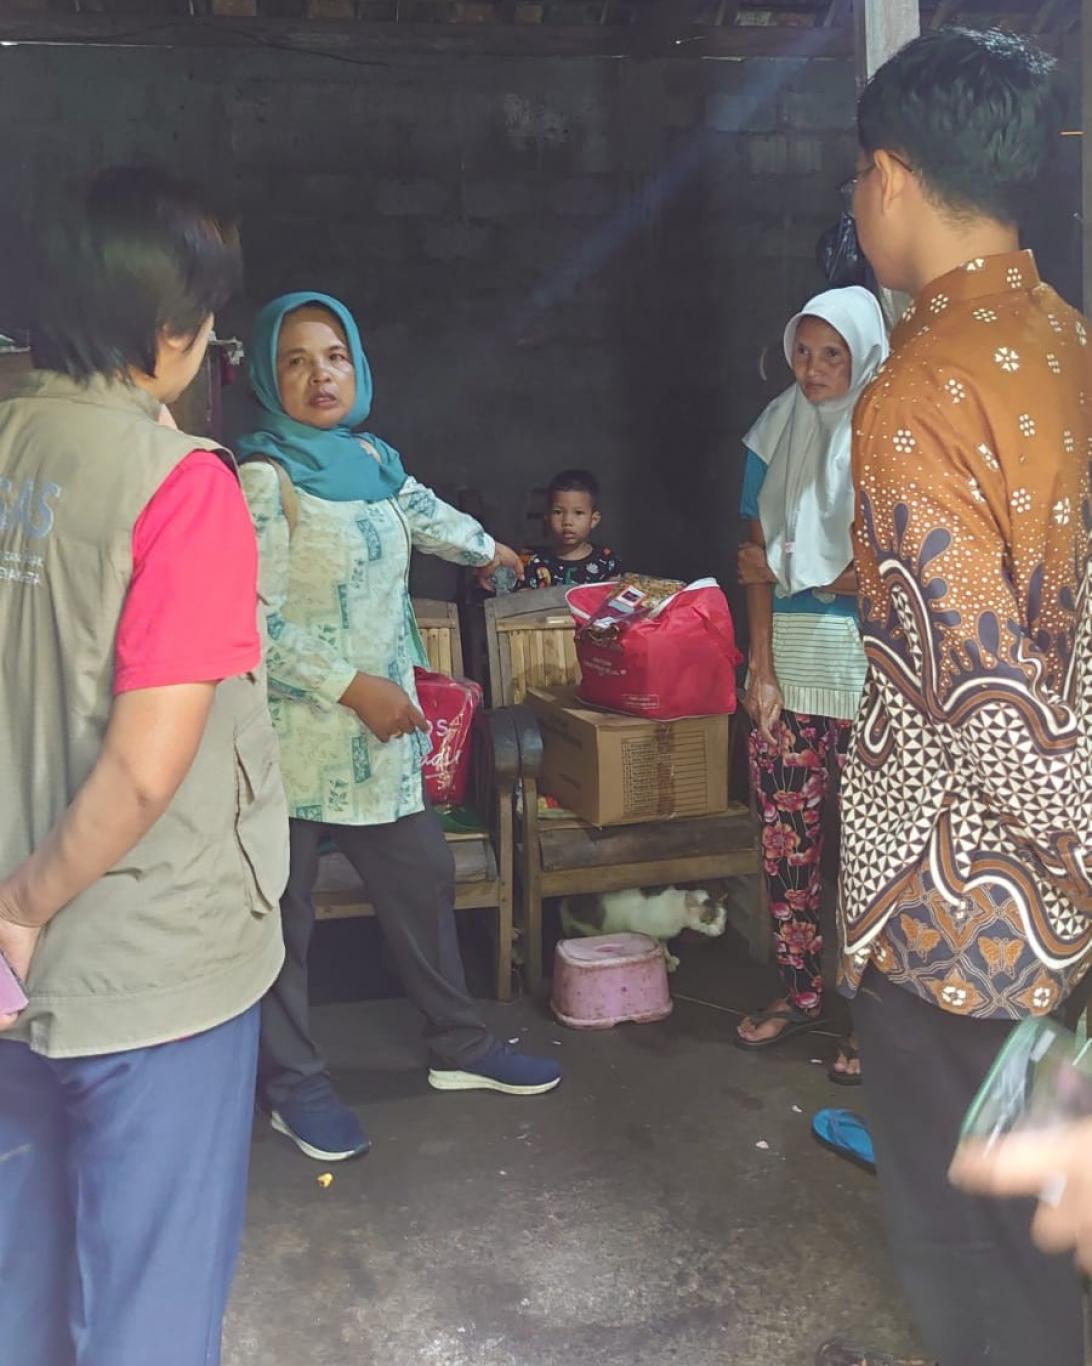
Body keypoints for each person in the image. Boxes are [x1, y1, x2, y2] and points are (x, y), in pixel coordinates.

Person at [817, 27, 1092, 1366]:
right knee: (1051, 1252)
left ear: (887, 175)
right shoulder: (1068, 339)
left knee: (977, 1273)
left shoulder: (915, 395)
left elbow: (984, 701)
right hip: (1062, 931)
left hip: (958, 928)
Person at [0, 167, 288, 1366]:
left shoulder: (14, 436)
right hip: (146, 971)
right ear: (171, 332)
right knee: (149, 1309)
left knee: (20, 1278)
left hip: (12, 984)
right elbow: (142, 769)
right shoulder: (187, 495)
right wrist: (25, 907)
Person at [237, 291, 562, 1165]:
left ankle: (459, 1045)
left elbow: (425, 514)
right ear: (267, 375)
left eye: (334, 356)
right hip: (295, 742)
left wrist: (492, 551)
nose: (320, 376)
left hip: (378, 742)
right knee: (282, 920)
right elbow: (251, 624)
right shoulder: (264, 478)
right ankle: (295, 1087)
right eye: (296, 360)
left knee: (421, 879)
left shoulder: (373, 459)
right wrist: (351, 688)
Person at [734, 286, 888, 1089]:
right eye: (804, 350)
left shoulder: (891, 432)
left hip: (873, 679)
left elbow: (903, 568)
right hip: (789, 676)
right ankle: (800, 993)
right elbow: (752, 562)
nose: (815, 368)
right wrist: (759, 666)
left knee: (871, 857)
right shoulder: (773, 430)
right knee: (787, 848)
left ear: (866, 354)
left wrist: (817, 576)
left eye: (834, 354)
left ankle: (871, 1020)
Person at [521, 468, 623, 589]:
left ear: (593, 520)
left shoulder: (607, 562)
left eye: (578, 513)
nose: (567, 521)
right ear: (547, 517)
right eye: (558, 512)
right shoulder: (536, 564)